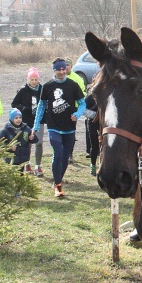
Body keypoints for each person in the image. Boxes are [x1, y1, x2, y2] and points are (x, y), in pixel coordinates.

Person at [33, 58, 86, 198]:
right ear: (54, 70)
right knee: (58, 152)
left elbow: (82, 104)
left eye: (63, 69)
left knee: (65, 156)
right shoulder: (47, 86)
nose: (62, 72)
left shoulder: (73, 85)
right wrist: (36, 124)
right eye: (59, 69)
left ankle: (58, 179)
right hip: (53, 126)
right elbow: (41, 106)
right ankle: (58, 185)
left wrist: (77, 114)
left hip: (69, 127)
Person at [12, 67, 45, 176]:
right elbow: (14, 104)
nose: (34, 82)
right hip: (26, 121)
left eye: (36, 79)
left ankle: (38, 166)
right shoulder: (23, 90)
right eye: (32, 79)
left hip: (39, 120)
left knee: (39, 142)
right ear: (28, 80)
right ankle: (27, 163)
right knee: (27, 143)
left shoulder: (42, 89)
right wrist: (24, 108)